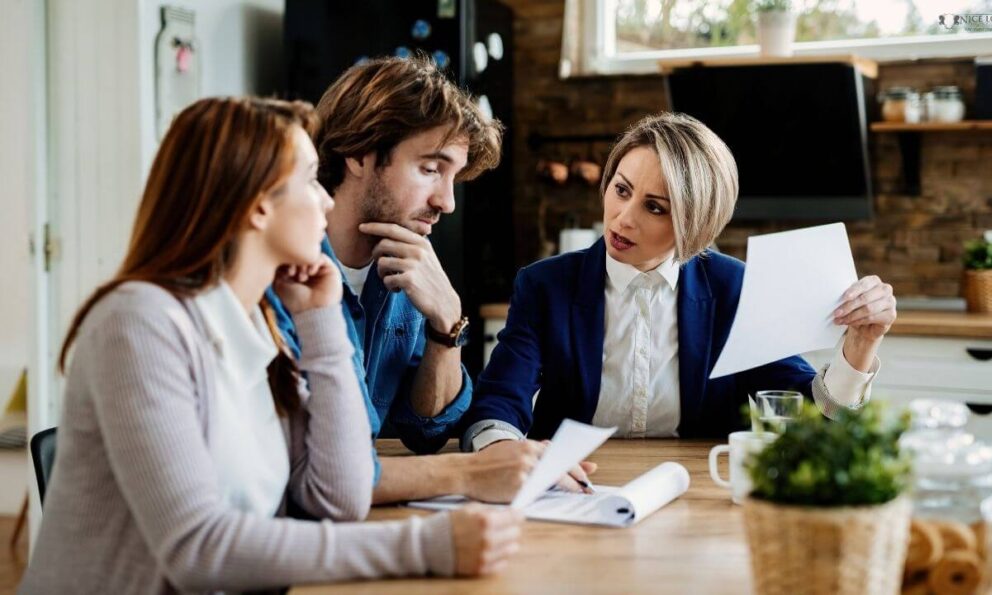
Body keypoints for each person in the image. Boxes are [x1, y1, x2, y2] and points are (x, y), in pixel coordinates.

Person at [19, 97, 521, 595]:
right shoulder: (140, 323)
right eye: (308, 179)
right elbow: (196, 548)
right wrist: (423, 546)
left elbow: (339, 494)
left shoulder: (261, 319)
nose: (325, 200)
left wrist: (321, 320)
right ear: (258, 203)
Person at [461, 112, 896, 450]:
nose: (623, 218)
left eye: (655, 207)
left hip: (695, 487)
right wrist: (504, 453)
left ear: (697, 225)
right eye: (621, 189)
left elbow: (812, 413)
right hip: (571, 485)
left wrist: (859, 349)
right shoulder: (544, 285)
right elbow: (497, 404)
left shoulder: (733, 288)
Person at [268, 56, 593, 504]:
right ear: (360, 153)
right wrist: (474, 470)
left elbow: (427, 430)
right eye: (430, 169)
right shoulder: (279, 274)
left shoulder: (407, 268)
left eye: (453, 177)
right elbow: (317, 466)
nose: (447, 202)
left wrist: (447, 324)